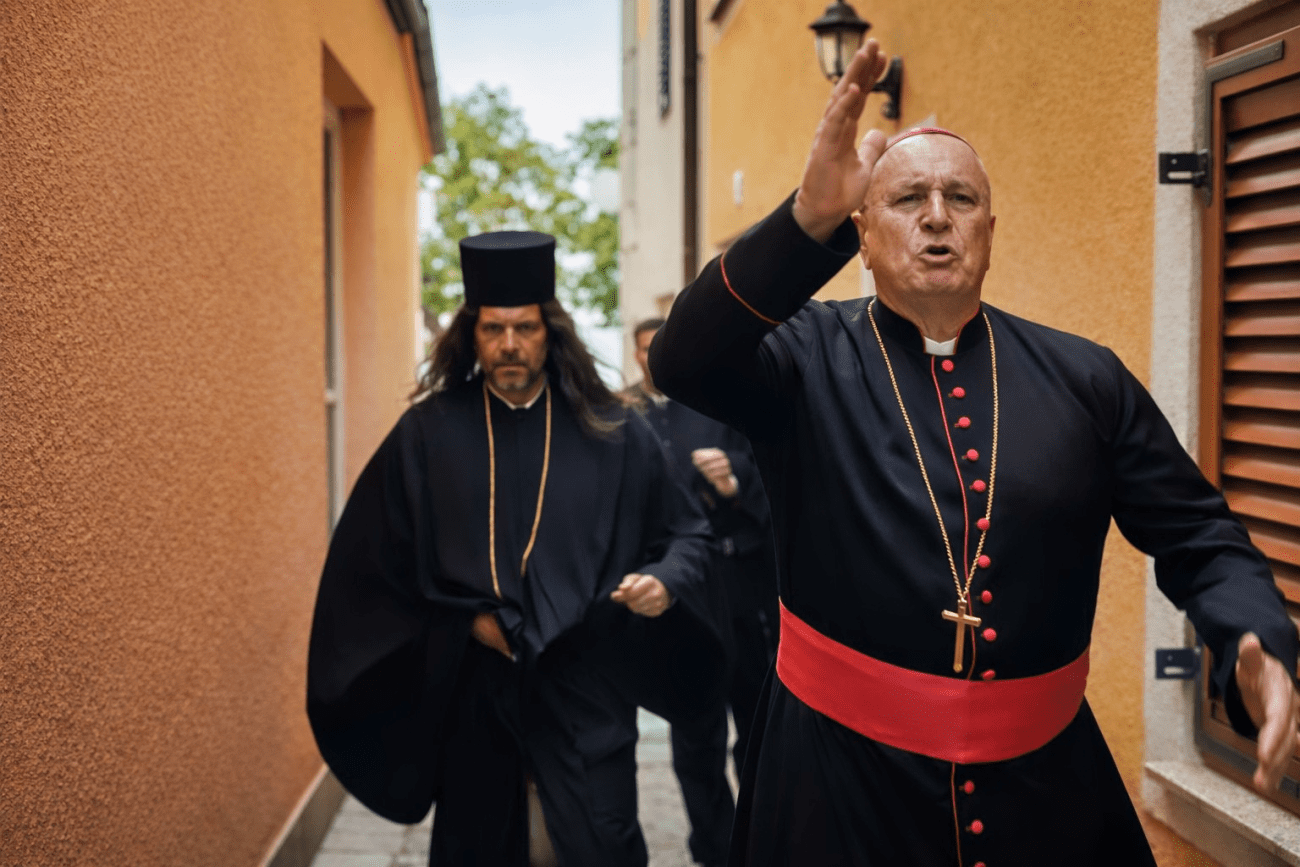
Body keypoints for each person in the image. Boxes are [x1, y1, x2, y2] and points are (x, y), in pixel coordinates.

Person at [648, 39, 1300, 866]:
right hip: (836, 785)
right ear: (861, 233)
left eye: (961, 198)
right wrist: (804, 220)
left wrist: (1254, 638)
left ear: (989, 231)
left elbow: (1199, 533)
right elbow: (683, 359)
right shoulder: (802, 356)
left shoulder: (1085, 377)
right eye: (907, 198)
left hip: (1045, 792)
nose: (936, 216)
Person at [307, 230, 726, 867]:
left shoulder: (613, 430)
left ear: (549, 333)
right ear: (471, 335)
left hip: (587, 681)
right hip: (477, 691)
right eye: (493, 329)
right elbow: (372, 571)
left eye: (525, 328)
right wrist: (458, 622)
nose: (509, 344)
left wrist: (665, 581)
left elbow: (689, 534)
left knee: (604, 843)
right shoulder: (426, 433)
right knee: (479, 848)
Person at [624, 317, 781, 867]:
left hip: (743, 590)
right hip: (683, 600)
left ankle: (756, 843)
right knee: (695, 738)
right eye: (643, 349)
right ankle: (714, 850)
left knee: (757, 729)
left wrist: (734, 479)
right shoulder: (624, 416)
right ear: (635, 355)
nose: (651, 357)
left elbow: (775, 476)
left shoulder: (722, 402)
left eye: (659, 347)